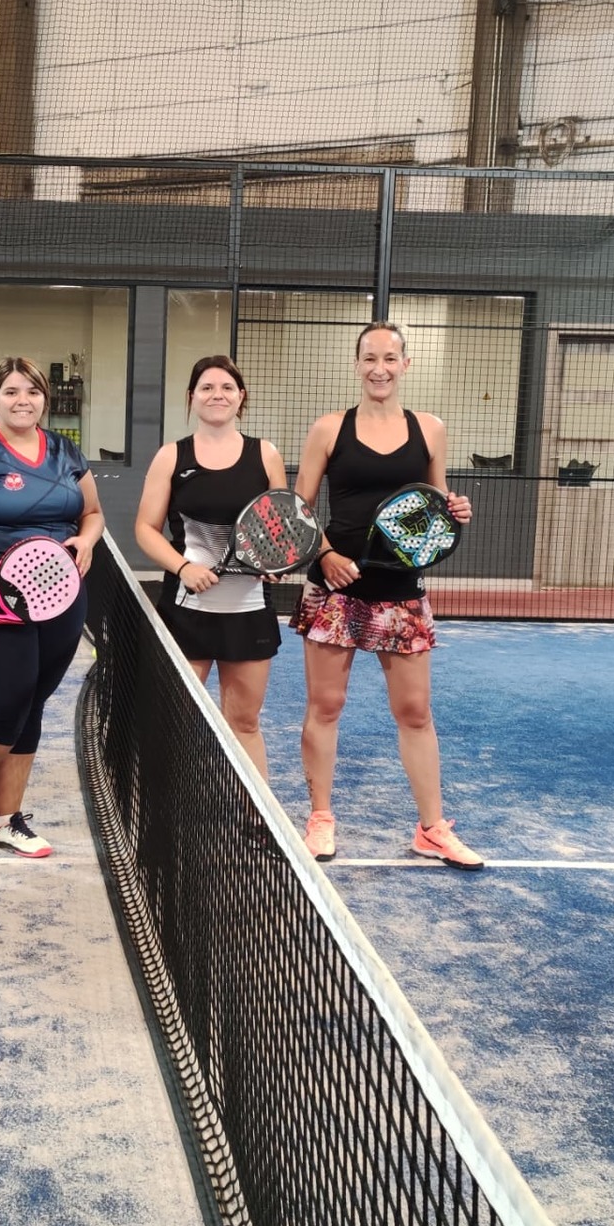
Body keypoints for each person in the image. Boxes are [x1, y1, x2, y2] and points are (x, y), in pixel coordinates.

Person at [291, 322, 481, 869]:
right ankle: (320, 819)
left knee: (415, 712)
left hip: (401, 590)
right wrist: (326, 555)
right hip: (336, 591)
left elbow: (435, 507)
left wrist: (456, 510)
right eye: (370, 358)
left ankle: (431, 829)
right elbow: (299, 510)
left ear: (405, 364)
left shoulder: (430, 429)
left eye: (390, 358)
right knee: (326, 706)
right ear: (357, 365)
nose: (380, 368)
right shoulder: (329, 428)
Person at [0, 357, 104, 865]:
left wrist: (87, 540)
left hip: (58, 603)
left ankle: (5, 820)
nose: (22, 400)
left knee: (31, 705)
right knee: (2, 707)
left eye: (32, 391)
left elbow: (92, 513)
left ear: (44, 398)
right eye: (11, 391)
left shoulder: (65, 451)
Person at [133, 355, 287, 779]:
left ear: (241, 397)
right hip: (187, 611)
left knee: (245, 723)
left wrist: (275, 562)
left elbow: (281, 526)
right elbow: (145, 529)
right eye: (207, 387)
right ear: (191, 397)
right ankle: (165, 809)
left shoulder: (266, 455)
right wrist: (183, 567)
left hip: (249, 612)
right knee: (175, 720)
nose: (217, 395)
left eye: (226, 388)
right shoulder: (171, 456)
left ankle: (252, 812)